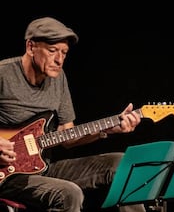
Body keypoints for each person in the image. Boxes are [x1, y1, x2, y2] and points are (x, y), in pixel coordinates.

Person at [0, 17, 146, 212]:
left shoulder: (58, 79)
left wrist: (109, 129)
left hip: (42, 167)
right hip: (9, 176)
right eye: (52, 51)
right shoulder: (4, 74)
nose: (59, 60)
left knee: (122, 163)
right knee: (70, 193)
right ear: (30, 47)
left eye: (64, 53)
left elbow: (68, 136)